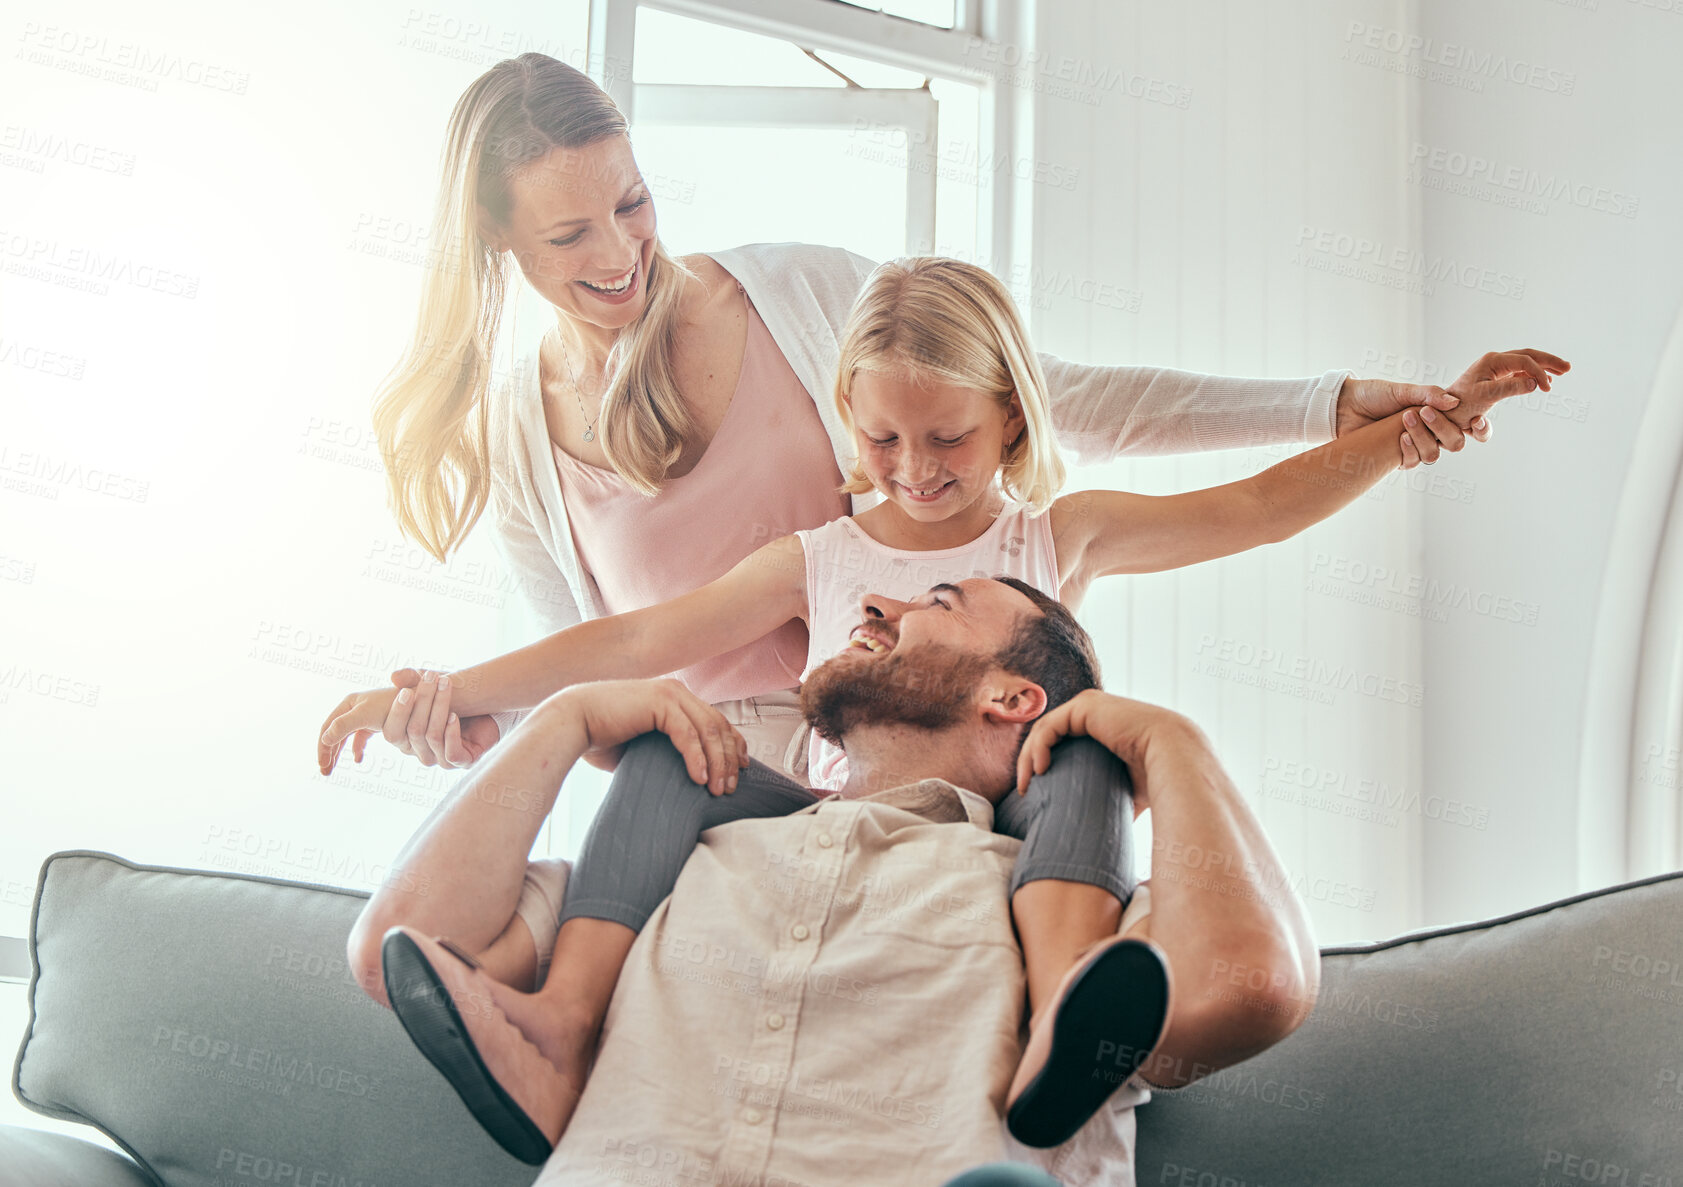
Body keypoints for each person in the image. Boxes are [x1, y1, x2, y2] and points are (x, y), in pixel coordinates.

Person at [330, 252, 1559, 1154]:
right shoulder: (817, 556)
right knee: (663, 746)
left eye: (948, 441)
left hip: (1006, 817)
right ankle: (564, 1019)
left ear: (1011, 420)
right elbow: (643, 634)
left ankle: (1060, 1022)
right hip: (833, 811)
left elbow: (1244, 510)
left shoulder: (1050, 534)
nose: (914, 472)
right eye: (882, 440)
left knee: (1078, 759)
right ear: (850, 427)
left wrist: (1392, 437)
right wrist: (451, 692)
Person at [350, 49, 1547, 791]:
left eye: (632, 200)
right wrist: (467, 708)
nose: (619, 254)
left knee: (1079, 776)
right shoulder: (548, 454)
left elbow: (1100, 417)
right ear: (498, 240)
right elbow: (613, 656)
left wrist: (1348, 412)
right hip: (723, 775)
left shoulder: (811, 302)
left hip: (928, 743)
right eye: (569, 235)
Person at [359, 576, 1319, 1186]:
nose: (876, 606)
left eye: (934, 602)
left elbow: (1253, 986)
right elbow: (395, 947)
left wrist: (1167, 740)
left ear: (1011, 698)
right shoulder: (658, 869)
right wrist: (561, 719)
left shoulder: (1077, 915)